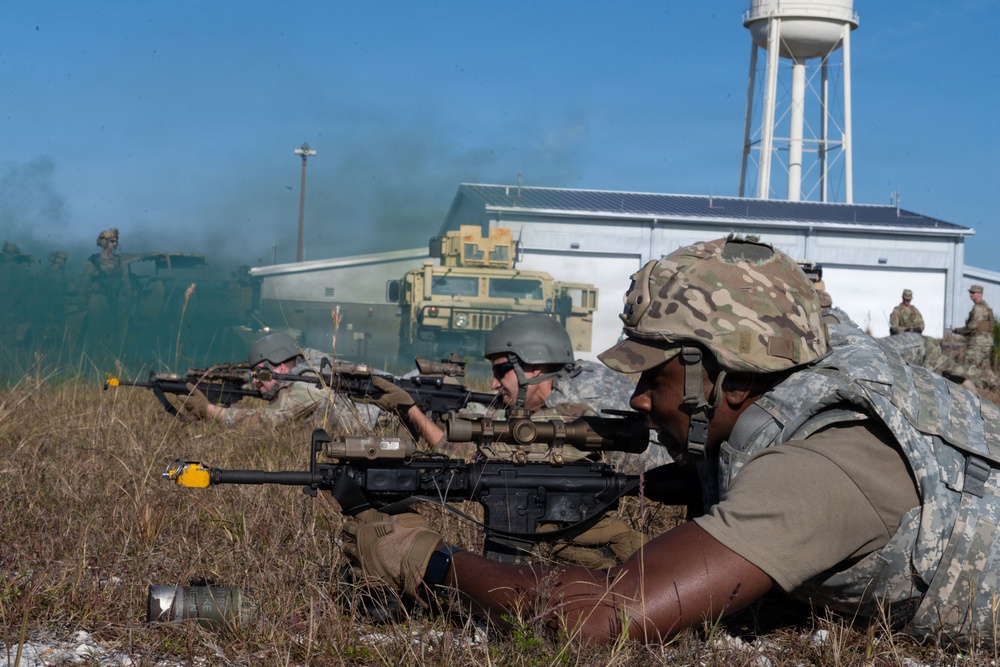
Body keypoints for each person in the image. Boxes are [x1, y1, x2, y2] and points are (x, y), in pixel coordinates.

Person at [343, 235, 1000, 646]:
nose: (636, 399)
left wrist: (428, 561)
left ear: (733, 380)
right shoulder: (812, 370)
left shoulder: (816, 469)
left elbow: (602, 617)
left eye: (654, 378)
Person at [364, 313, 648, 567]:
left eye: (501, 371)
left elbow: (473, 460)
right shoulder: (534, 407)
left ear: (534, 367)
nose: (493, 384)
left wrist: (410, 410)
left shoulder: (571, 412)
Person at [179, 331, 377, 431]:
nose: (256, 381)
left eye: (258, 374)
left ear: (280, 367)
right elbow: (265, 381)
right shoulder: (304, 367)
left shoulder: (306, 384)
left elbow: (266, 421)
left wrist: (210, 411)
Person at [78, 228, 133, 347]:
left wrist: (129, 298)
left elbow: (125, 281)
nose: (115, 244)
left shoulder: (119, 261)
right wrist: (82, 299)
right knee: (97, 327)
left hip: (117, 298)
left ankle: (120, 352)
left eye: (116, 241)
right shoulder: (94, 262)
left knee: (122, 328)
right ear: (105, 242)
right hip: (99, 298)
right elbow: (84, 282)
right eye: (112, 241)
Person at [954, 284, 995, 369]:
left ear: (980, 294)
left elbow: (973, 325)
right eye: (970, 292)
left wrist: (960, 331)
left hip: (978, 344)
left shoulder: (978, 308)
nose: (971, 294)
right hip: (986, 343)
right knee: (985, 373)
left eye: (973, 292)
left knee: (967, 368)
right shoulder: (986, 306)